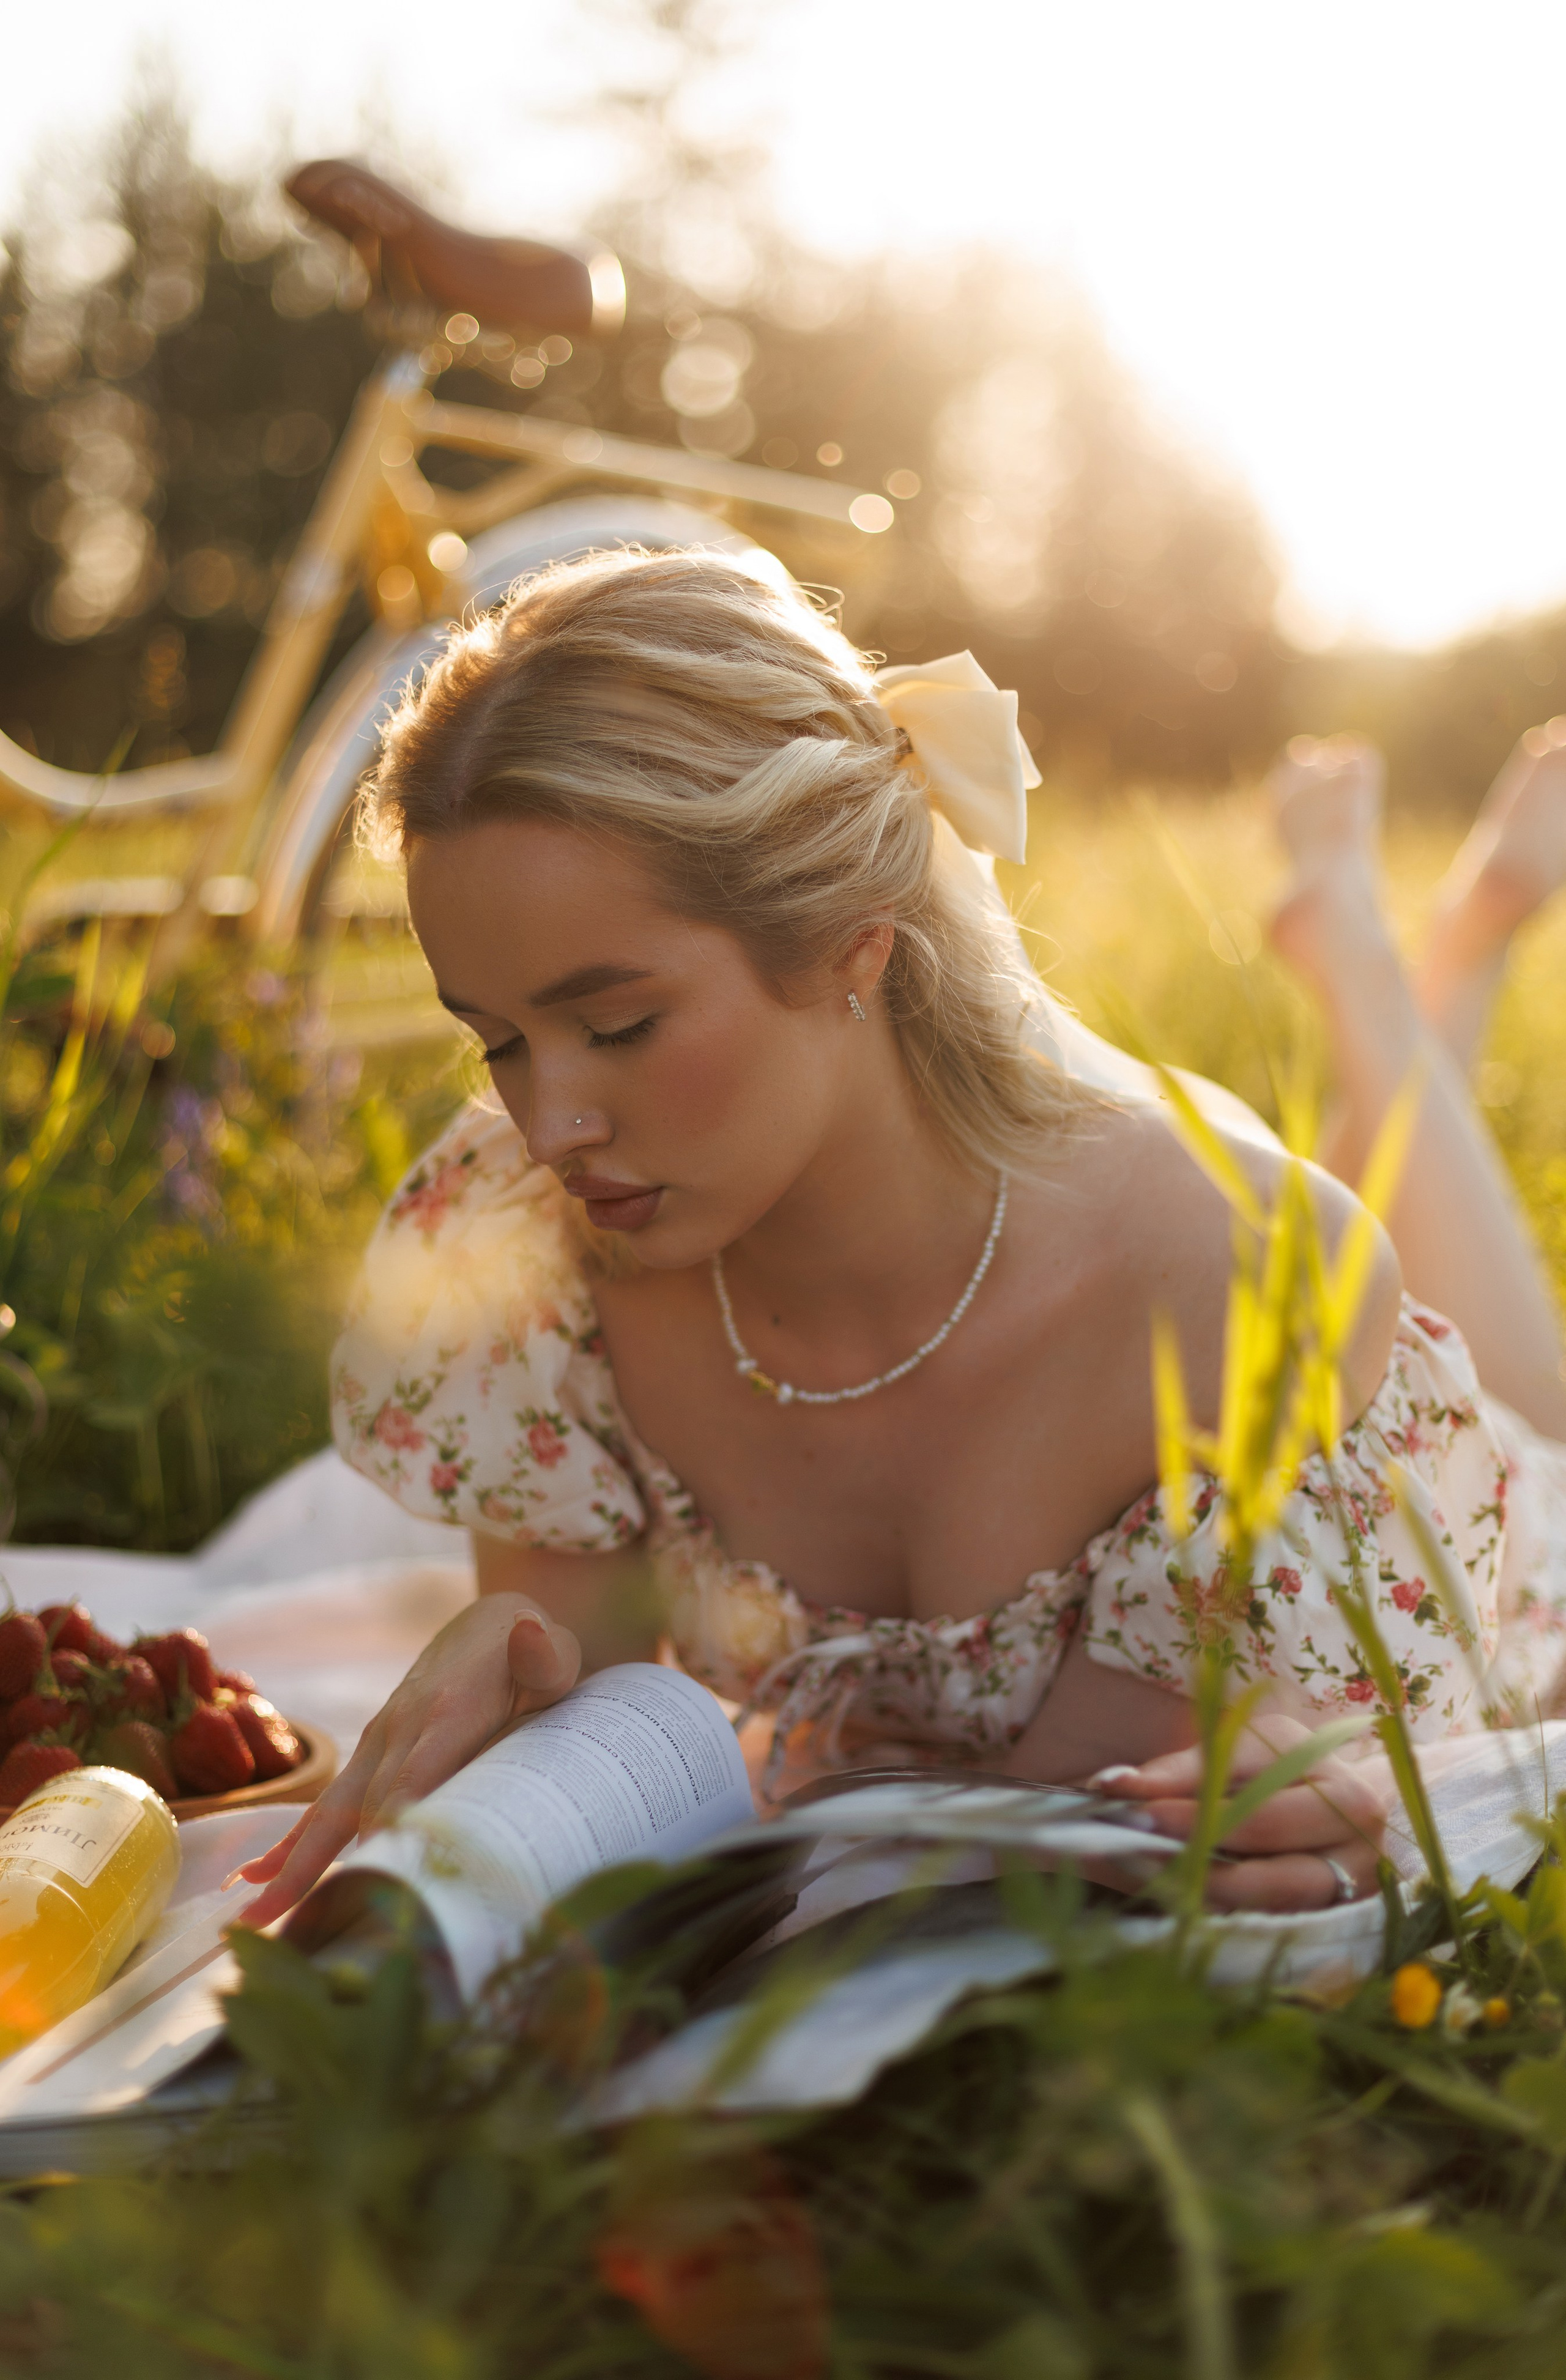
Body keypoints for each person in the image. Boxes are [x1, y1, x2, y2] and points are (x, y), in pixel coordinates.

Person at [240, 550, 1566, 1927]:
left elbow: (1109, 1836)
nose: (549, 1117)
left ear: (850, 946)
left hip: (1502, 1568)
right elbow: (602, 1772)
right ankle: (1388, 946)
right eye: (496, 1038)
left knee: (1524, 1418)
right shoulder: (526, 1247)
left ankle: (1401, 949)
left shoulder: (1220, 1265)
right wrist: (523, 1683)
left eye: (618, 1024)